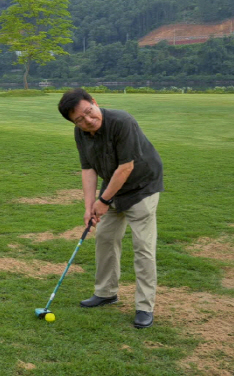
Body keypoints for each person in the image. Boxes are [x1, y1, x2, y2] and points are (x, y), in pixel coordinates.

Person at [58, 88, 164, 329]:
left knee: (143, 247)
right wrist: (88, 208)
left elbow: (126, 167)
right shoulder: (81, 133)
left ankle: (144, 306)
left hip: (142, 186)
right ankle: (106, 292)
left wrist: (103, 202)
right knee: (105, 238)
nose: (87, 120)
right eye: (79, 119)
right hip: (112, 186)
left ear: (94, 102)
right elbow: (88, 169)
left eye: (88, 112)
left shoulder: (122, 121)